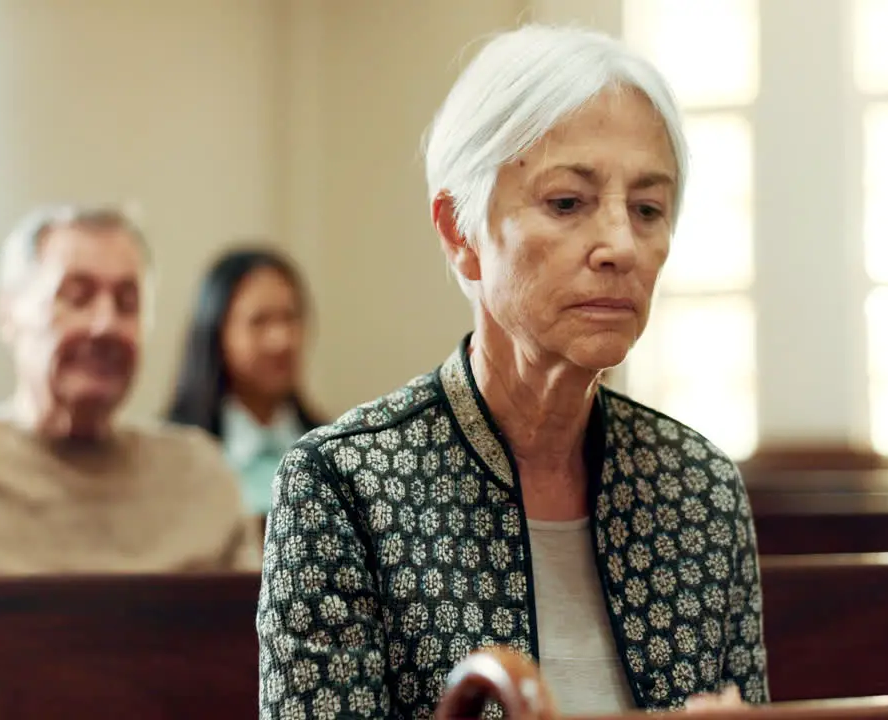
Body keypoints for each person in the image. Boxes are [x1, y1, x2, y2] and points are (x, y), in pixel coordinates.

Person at [256, 25, 768, 719]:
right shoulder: (343, 486)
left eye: (648, 209)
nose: (621, 243)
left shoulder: (699, 490)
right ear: (459, 233)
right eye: (567, 202)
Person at [0, 205, 261, 577]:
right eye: (77, 297)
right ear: (8, 315)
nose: (105, 325)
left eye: (127, 302)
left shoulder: (203, 478)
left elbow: (266, 648)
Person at [167, 248, 322, 523]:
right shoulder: (171, 457)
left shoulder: (331, 447)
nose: (282, 340)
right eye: (259, 321)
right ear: (218, 332)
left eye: (290, 317)